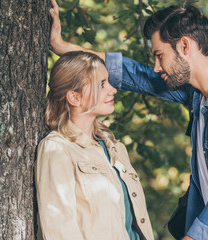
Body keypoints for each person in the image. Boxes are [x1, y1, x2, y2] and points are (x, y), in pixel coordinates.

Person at [49, 0, 208, 239]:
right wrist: (64, 48)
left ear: (184, 45)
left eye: (159, 55)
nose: (156, 66)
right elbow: (136, 75)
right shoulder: (198, 94)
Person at [35, 51, 154, 240]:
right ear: (74, 97)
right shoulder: (56, 149)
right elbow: (60, 232)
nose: (112, 89)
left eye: (108, 81)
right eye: (101, 84)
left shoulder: (115, 148)